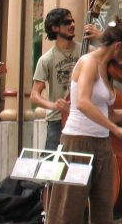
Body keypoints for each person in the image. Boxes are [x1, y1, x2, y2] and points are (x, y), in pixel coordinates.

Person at [45, 16, 122, 224]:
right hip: (77, 143)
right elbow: (82, 103)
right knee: (68, 210)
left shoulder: (107, 69)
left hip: (102, 145)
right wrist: (116, 130)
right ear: (118, 46)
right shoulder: (88, 62)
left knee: (103, 210)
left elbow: (107, 113)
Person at [30, 8, 101, 150]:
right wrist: (54, 105)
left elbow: (112, 53)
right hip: (57, 120)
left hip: (84, 117)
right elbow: (34, 95)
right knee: (52, 166)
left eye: (73, 21)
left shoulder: (88, 51)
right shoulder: (46, 59)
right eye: (67, 22)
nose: (72, 25)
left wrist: (101, 36)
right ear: (55, 28)